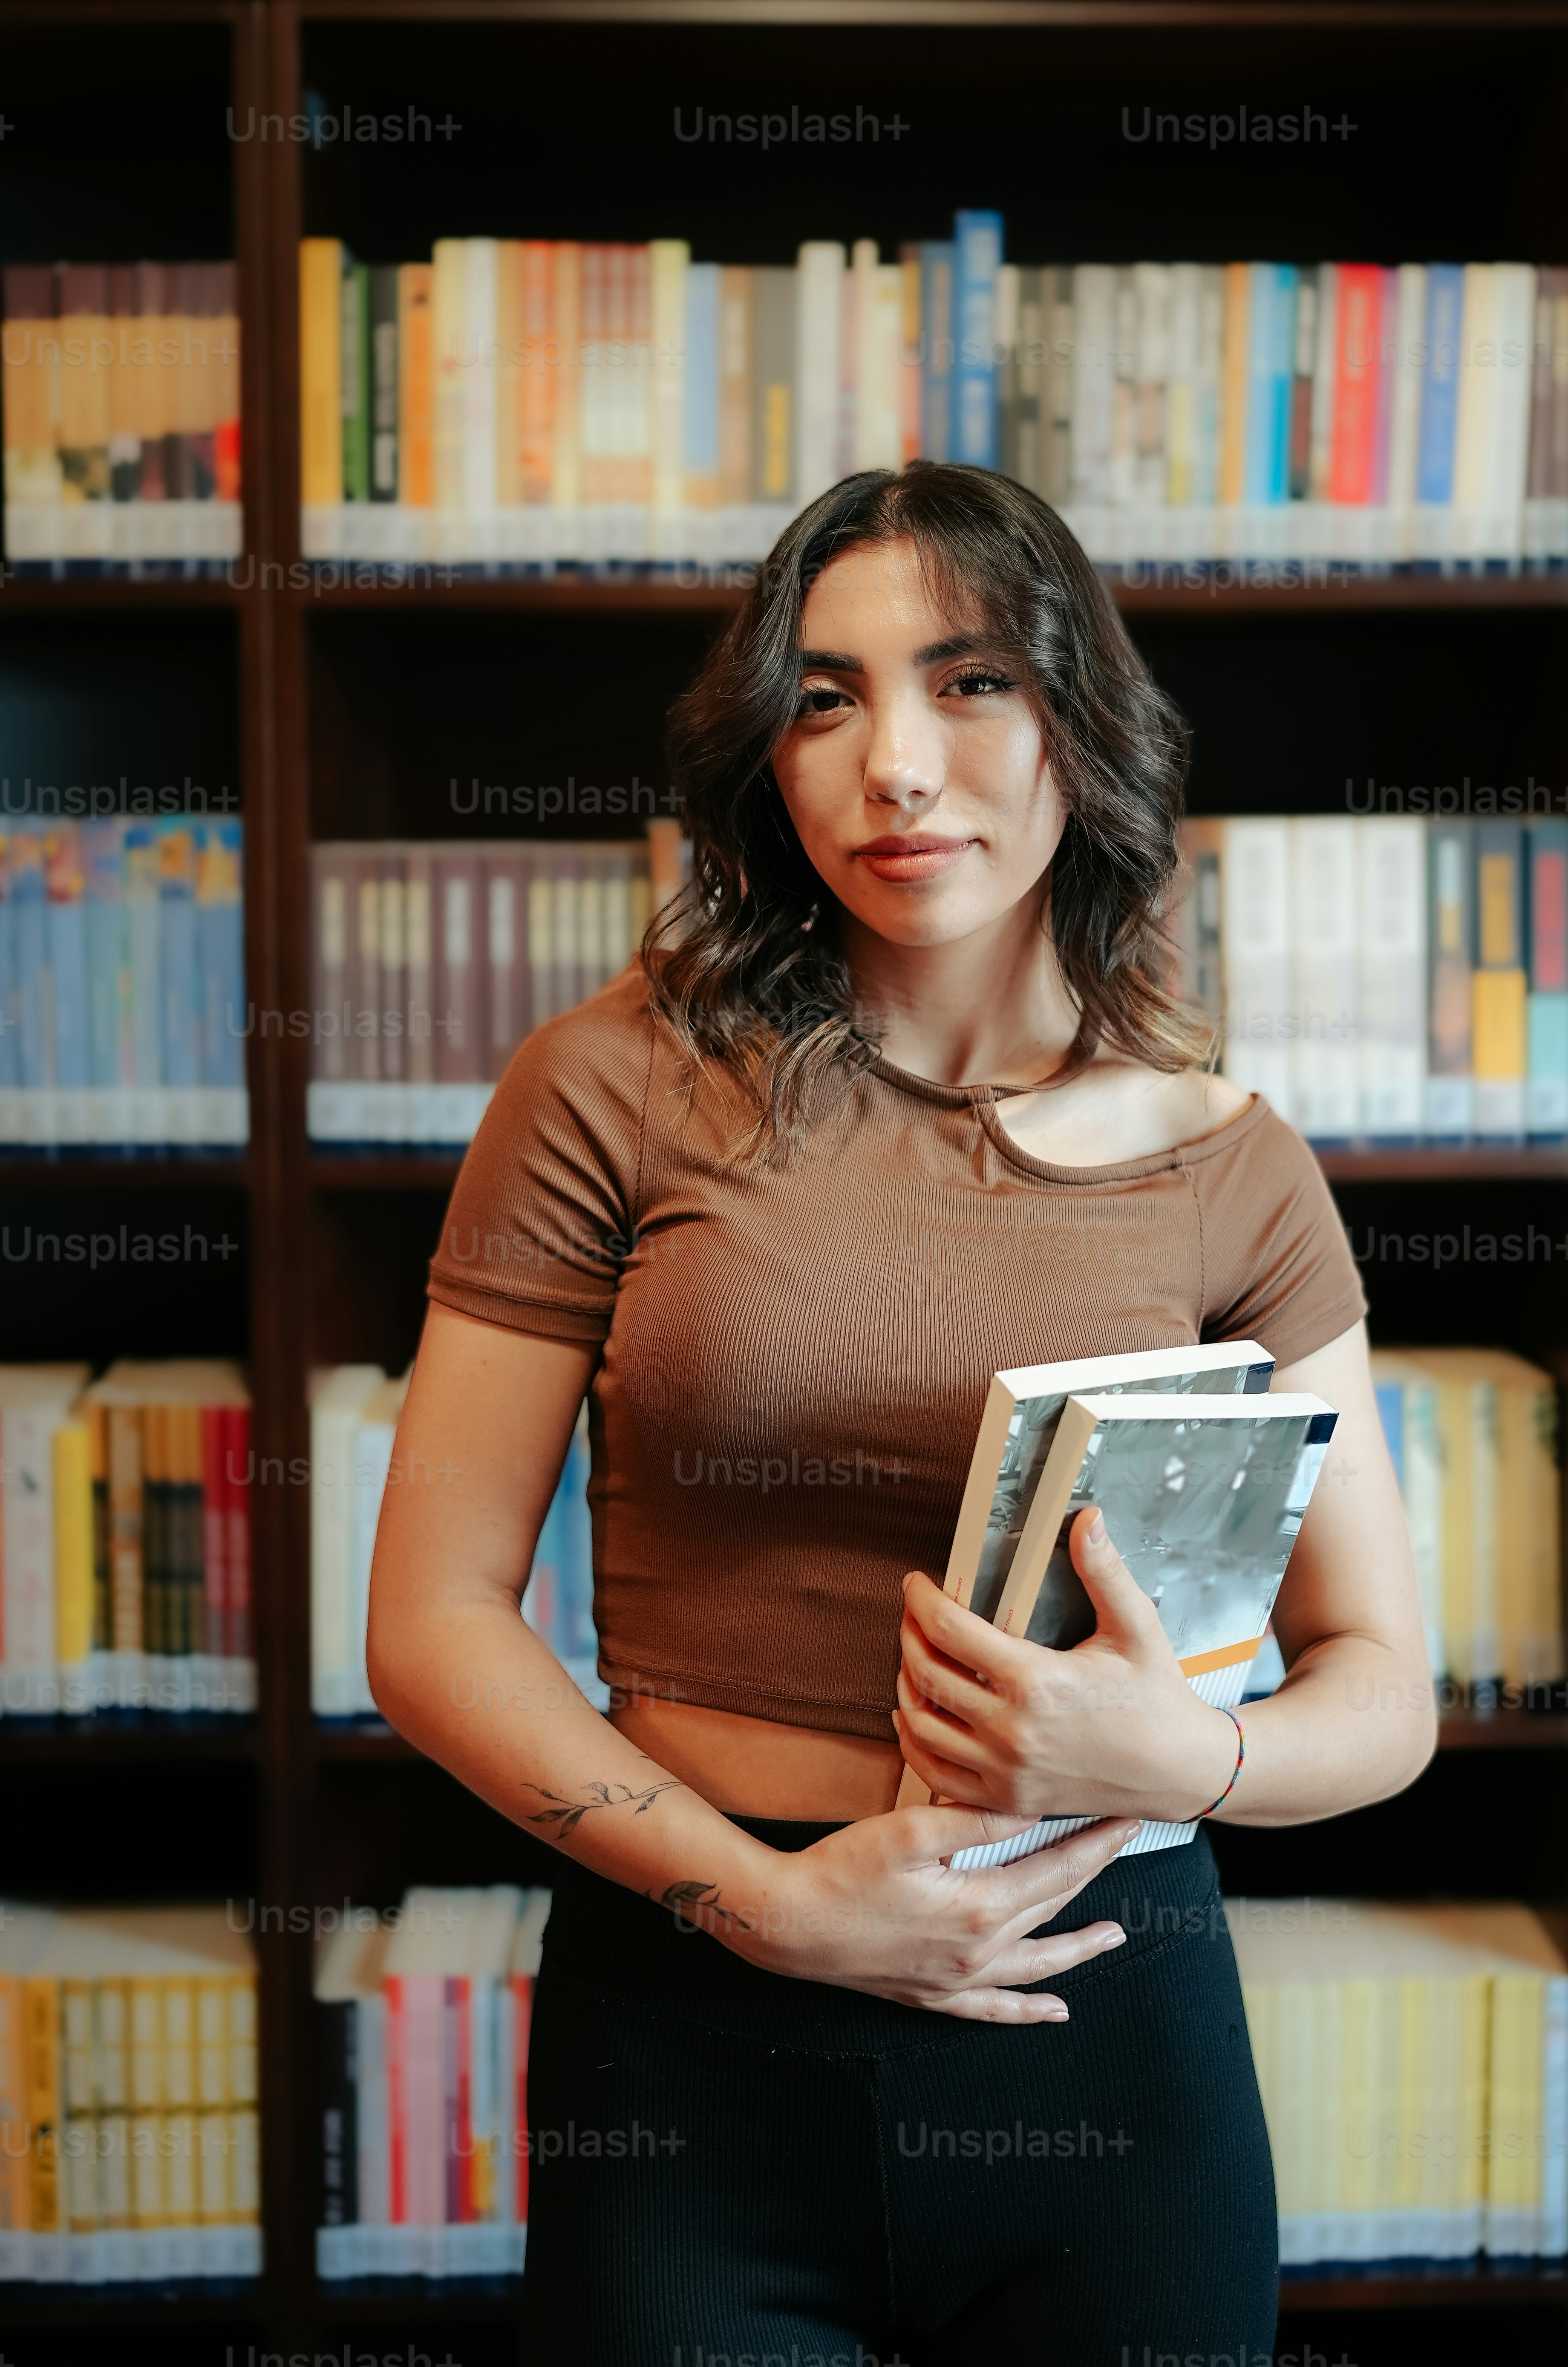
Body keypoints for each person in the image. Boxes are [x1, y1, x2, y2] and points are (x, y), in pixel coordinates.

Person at [369, 461, 1435, 2367]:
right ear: (769, 757)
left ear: (1074, 721)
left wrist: (1186, 1756)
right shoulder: (608, 1083)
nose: (896, 765)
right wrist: (769, 1907)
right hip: (697, 2017)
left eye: (968, 682)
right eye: (826, 696)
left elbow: (1380, 1686)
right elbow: (430, 1620)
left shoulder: (1234, 1164)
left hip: (1109, 2024)